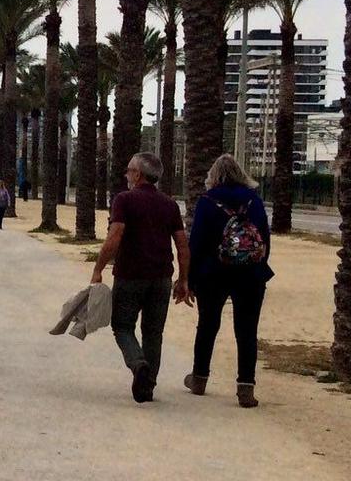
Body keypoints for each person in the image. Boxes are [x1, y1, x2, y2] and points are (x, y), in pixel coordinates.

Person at [91, 150, 192, 403]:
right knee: (153, 332)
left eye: (128, 170)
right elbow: (182, 246)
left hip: (130, 275)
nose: (126, 175)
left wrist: (98, 268)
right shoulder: (169, 204)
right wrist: (183, 280)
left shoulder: (124, 200)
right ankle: (148, 386)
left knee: (122, 325)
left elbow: (115, 237)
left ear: (137, 174)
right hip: (161, 278)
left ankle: (138, 365)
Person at [185, 153, 273, 408]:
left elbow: (197, 242)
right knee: (247, 331)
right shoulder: (254, 200)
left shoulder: (207, 201)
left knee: (208, 325)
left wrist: (190, 279)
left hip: (213, 273)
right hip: (251, 274)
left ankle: (199, 379)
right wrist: (259, 266)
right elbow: (264, 239)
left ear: (214, 176)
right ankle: (246, 387)